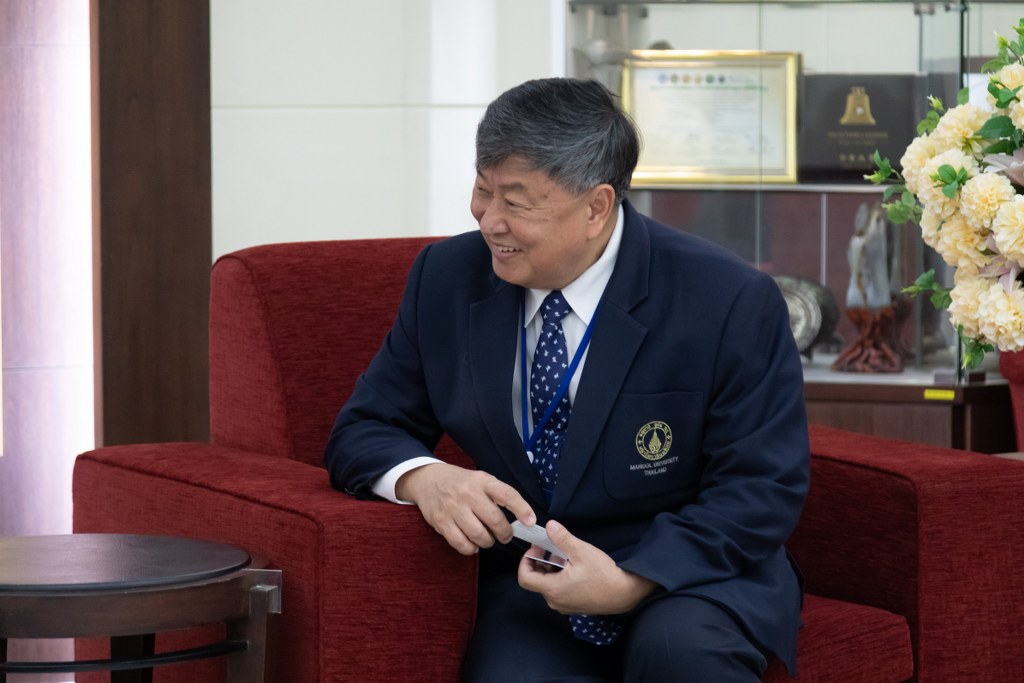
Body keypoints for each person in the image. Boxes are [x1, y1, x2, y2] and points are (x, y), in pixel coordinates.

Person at [325, 77, 809, 682]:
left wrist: (630, 580)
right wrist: (427, 479)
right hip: (534, 581)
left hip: (691, 574)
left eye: (516, 202)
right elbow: (363, 428)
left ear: (596, 207)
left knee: (679, 653)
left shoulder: (727, 298)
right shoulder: (446, 277)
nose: (489, 221)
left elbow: (761, 485)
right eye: (482, 190)